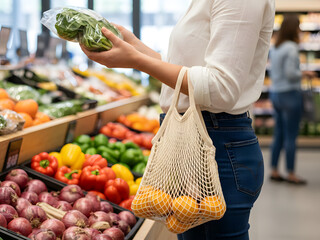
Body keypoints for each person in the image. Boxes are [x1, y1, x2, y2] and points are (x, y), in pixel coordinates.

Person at [80, 0, 275, 239]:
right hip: (198, 140)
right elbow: (189, 68)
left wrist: (137, 61)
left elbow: (220, 88)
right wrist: (134, 47)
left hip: (215, 143)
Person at [268, 14, 316, 185]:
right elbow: (291, 74)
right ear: (293, 28)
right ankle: (291, 173)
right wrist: (304, 73)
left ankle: (274, 170)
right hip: (290, 95)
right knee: (291, 136)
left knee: (278, 134)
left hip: (276, 94)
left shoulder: (275, 47)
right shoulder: (291, 48)